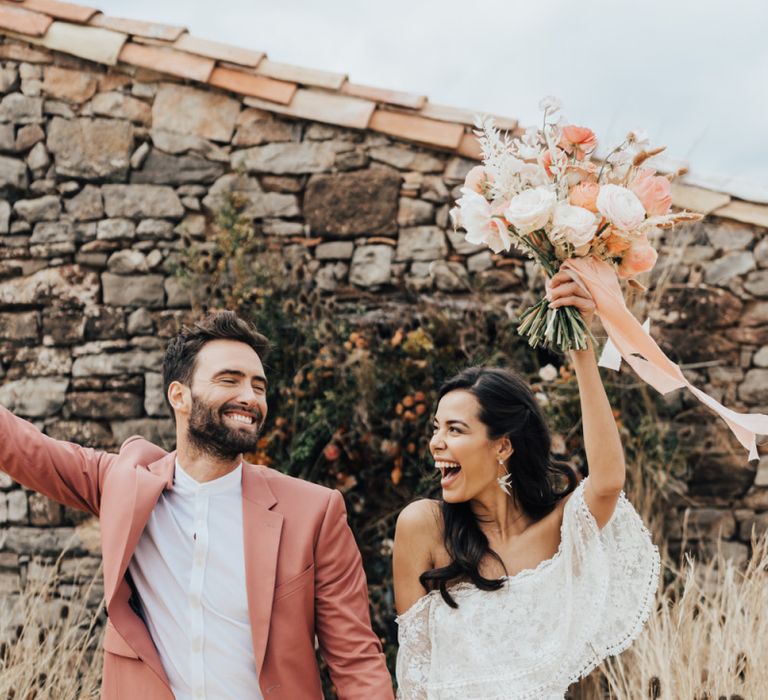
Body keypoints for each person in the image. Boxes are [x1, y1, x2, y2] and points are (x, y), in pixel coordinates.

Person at [0, 310, 394, 700]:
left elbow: (356, 661)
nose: (250, 397)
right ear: (179, 395)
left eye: (259, 386)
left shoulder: (314, 512)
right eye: (230, 380)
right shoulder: (125, 484)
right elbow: (24, 448)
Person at [392, 272, 660, 699]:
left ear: (502, 447)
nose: (436, 442)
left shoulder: (556, 533)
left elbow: (608, 481)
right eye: (436, 427)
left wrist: (582, 352)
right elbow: (414, 675)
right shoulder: (423, 527)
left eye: (456, 429)